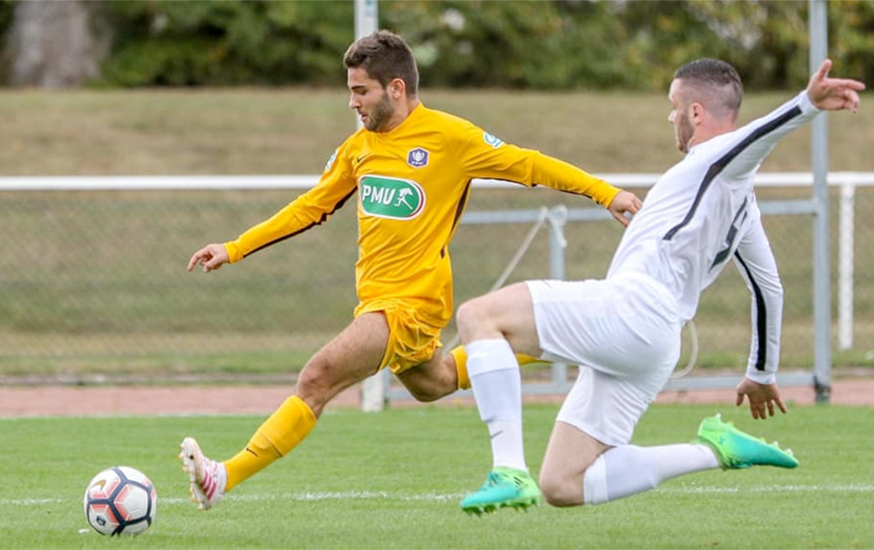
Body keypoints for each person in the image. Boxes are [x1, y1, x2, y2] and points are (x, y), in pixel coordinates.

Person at [178, 30, 641, 511]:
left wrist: (605, 192)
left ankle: (223, 477)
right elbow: (309, 208)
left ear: (395, 88)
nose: (352, 103)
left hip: (411, 304)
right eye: (351, 91)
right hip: (376, 300)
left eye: (361, 91)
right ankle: (576, 341)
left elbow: (530, 164)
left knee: (317, 377)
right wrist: (235, 247)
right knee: (434, 382)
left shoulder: (451, 138)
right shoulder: (359, 147)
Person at [455, 58, 865, 514]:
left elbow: (756, 138)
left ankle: (508, 469)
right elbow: (770, 288)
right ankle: (715, 450)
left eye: (673, 106)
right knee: (563, 483)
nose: (670, 116)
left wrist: (806, 104)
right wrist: (762, 373)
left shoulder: (715, 157)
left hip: (630, 312)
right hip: (656, 343)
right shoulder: (742, 204)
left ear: (695, 112)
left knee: (479, 316)